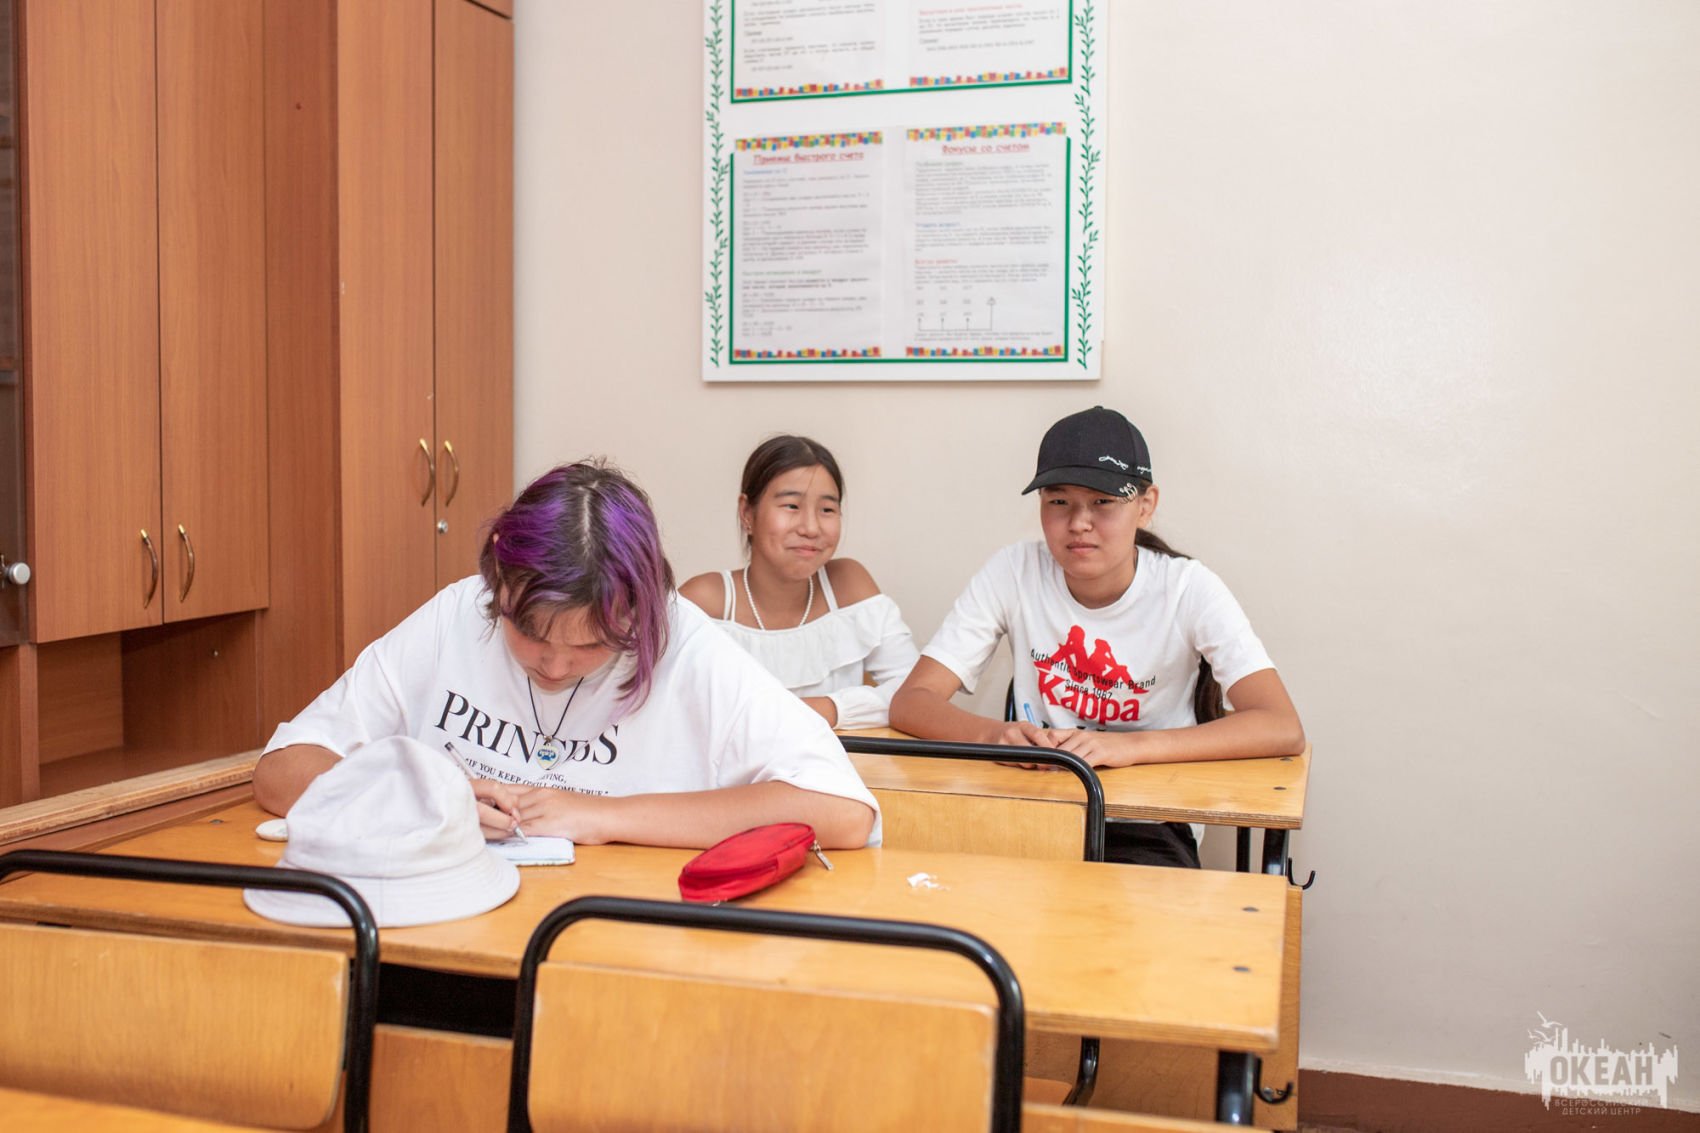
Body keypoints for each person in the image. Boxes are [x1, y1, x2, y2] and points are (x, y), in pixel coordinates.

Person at [254, 460, 879, 850]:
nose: (553, 666)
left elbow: (843, 812)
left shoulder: (687, 646)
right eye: (527, 632)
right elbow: (282, 770)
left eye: (591, 645)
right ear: (497, 587)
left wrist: (603, 816)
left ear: (643, 610)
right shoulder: (456, 615)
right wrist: (429, 796)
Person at [889, 406, 1304, 867]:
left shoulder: (1188, 588)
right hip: (1035, 808)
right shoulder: (1013, 571)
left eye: (1103, 502)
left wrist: (1129, 747)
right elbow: (911, 702)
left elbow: (1281, 726)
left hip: (1148, 821)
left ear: (1145, 505)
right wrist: (995, 736)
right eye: (1058, 501)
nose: (1078, 523)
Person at [679, 435, 919, 730]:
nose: (811, 528)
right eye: (791, 506)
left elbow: (916, 693)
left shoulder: (848, 586)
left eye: (827, 510)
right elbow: (666, 709)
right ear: (747, 513)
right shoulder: (706, 602)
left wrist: (826, 709)